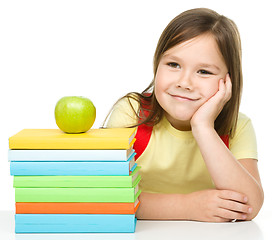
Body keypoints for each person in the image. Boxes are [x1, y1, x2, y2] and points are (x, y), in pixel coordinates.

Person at [103, 8, 264, 222]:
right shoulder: (132, 113)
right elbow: (108, 197)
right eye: (173, 64)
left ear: (228, 82)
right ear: (156, 65)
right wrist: (188, 207)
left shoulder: (237, 127)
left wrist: (203, 127)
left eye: (204, 71)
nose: (184, 82)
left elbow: (249, 206)